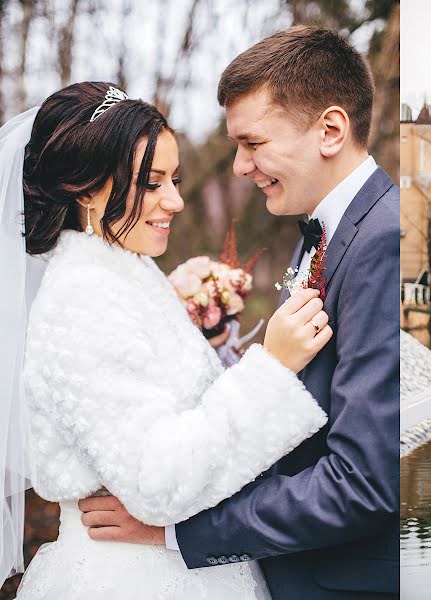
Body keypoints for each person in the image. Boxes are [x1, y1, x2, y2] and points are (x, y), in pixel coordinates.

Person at [78, 26, 401, 599]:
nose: (238, 167)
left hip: (337, 582)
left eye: (253, 143)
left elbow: (363, 486)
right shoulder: (321, 230)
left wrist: (179, 531)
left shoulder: (381, 241)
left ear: (330, 130)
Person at [1, 81, 331, 599]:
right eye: (151, 183)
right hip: (131, 578)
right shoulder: (82, 299)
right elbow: (156, 478)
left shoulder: (127, 273)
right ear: (86, 189)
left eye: (174, 179)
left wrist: (213, 339)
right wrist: (273, 369)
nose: (175, 200)